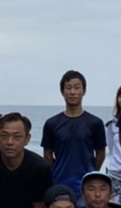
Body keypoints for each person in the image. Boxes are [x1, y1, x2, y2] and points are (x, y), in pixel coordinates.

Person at [41, 70, 107, 199]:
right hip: (59, 182)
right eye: (68, 88)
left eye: (77, 88)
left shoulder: (95, 123)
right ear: (62, 92)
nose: (73, 92)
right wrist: (57, 171)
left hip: (86, 185)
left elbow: (100, 154)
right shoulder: (51, 123)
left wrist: (91, 173)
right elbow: (47, 155)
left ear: (84, 91)